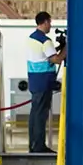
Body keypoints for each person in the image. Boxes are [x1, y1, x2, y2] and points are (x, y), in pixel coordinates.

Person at [23, 12, 60, 153]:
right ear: (44, 22)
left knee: (35, 114)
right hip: (44, 81)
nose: (50, 25)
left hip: (34, 80)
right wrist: (66, 50)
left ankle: (33, 144)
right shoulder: (45, 41)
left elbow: (41, 57)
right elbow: (55, 59)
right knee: (41, 115)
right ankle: (39, 146)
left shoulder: (31, 39)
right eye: (49, 22)